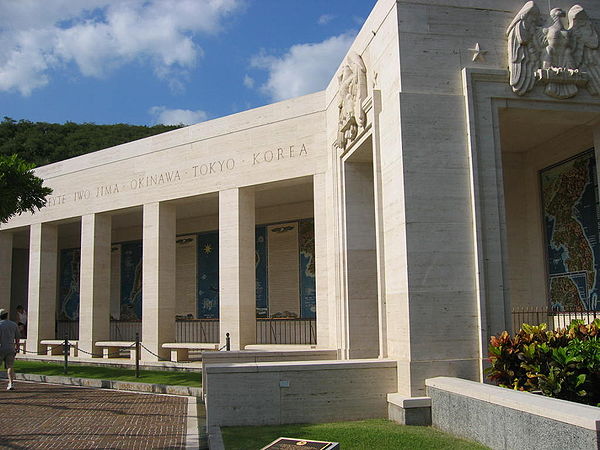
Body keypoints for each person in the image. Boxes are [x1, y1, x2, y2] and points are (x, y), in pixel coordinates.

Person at [0, 308, 20, 390]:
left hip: (1, 348)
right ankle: (11, 383)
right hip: (11, 348)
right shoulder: (13, 324)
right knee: (10, 366)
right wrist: (17, 347)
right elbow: (17, 337)